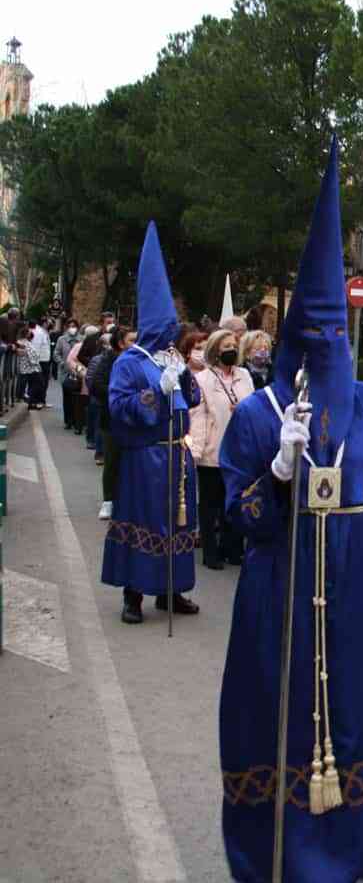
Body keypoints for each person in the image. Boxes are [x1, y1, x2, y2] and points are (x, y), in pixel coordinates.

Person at [218, 145, 363, 881]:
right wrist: (276, 471)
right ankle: (274, 858)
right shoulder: (258, 414)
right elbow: (242, 518)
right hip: (279, 592)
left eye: (340, 333)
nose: (329, 346)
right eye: (316, 333)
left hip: (357, 594)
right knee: (274, 717)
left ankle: (353, 857)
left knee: (356, 718)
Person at [100, 224, 201, 625]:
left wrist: (184, 377)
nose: (170, 335)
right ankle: (133, 595)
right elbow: (118, 406)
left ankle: (171, 592)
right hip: (146, 458)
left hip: (178, 453)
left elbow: (192, 399)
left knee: (178, 522)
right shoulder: (129, 363)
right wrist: (155, 392)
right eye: (165, 328)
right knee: (144, 521)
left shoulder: (170, 358)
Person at [191, 329, 253, 570]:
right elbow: (198, 417)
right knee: (210, 504)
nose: (231, 350)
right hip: (213, 450)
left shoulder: (244, 376)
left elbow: (254, 406)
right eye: (226, 346)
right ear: (216, 351)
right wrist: (197, 451)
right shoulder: (203, 379)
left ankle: (232, 548)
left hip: (240, 451)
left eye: (234, 346)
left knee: (235, 501)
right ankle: (211, 552)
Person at [93, 324, 136, 520]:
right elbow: (96, 385)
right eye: (131, 340)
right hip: (113, 420)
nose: (135, 344)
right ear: (120, 343)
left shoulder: (140, 360)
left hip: (135, 420)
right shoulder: (108, 360)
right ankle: (108, 501)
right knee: (112, 461)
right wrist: (119, 395)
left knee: (133, 463)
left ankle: (129, 501)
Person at [66, 326, 101, 441]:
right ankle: (79, 425)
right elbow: (70, 361)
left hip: (93, 381)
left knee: (90, 404)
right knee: (80, 403)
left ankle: (87, 426)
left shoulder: (99, 346)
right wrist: (81, 372)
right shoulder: (79, 346)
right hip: (82, 380)